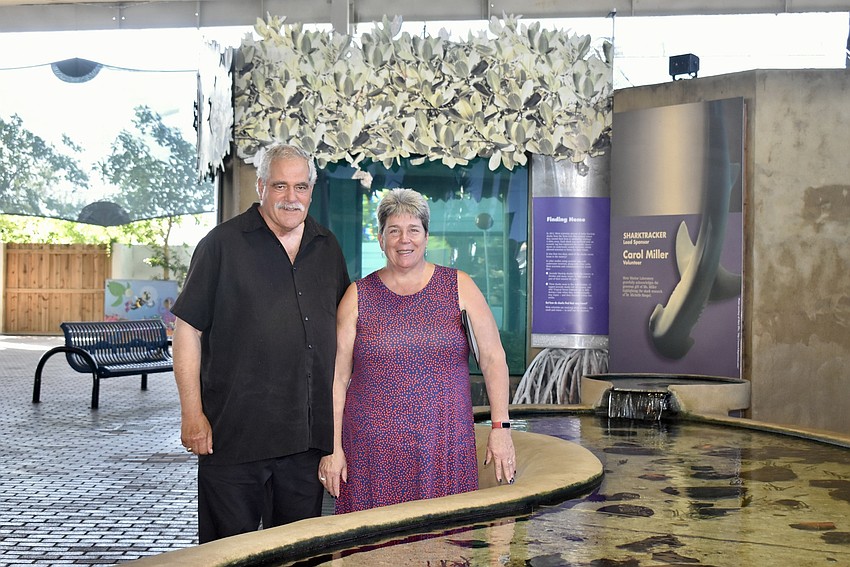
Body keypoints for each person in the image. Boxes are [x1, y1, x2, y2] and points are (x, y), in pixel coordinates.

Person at [171, 143, 350, 542]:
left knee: (296, 554)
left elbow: (345, 334)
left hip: (304, 445)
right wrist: (192, 414)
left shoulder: (327, 246)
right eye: (281, 186)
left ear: (311, 190)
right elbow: (187, 332)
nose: (291, 198)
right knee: (227, 554)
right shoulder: (221, 245)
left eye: (301, 187)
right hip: (233, 439)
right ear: (261, 186)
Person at [318, 188, 516, 513]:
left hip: (444, 446)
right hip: (373, 453)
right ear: (381, 239)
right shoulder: (357, 296)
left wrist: (500, 428)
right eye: (393, 231)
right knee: (374, 550)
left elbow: (493, 359)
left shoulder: (459, 286)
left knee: (445, 549)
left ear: (426, 236)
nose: (403, 240)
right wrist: (333, 449)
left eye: (413, 230)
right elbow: (337, 380)